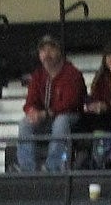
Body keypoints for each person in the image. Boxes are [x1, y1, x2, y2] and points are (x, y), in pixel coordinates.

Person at [15, 33, 87, 174]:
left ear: (59, 51)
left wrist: (45, 113)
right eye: (43, 51)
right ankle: (26, 168)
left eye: (50, 50)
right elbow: (30, 101)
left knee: (61, 121)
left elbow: (70, 103)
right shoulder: (38, 75)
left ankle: (53, 167)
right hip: (47, 118)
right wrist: (32, 111)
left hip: (72, 118)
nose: (46, 54)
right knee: (25, 123)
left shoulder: (72, 74)